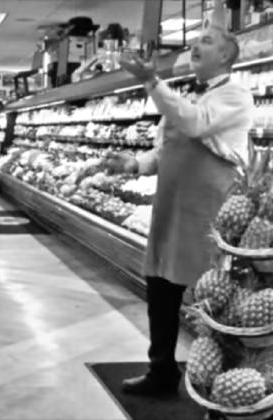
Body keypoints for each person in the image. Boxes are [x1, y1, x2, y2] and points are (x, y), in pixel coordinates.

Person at [104, 18, 254, 396]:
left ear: (226, 55)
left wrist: (151, 81)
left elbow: (195, 124)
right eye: (195, 41)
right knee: (160, 294)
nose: (195, 46)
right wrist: (134, 164)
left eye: (206, 41)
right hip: (170, 212)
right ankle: (161, 372)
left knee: (213, 300)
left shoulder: (235, 95)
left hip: (208, 216)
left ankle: (224, 382)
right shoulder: (190, 95)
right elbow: (164, 148)